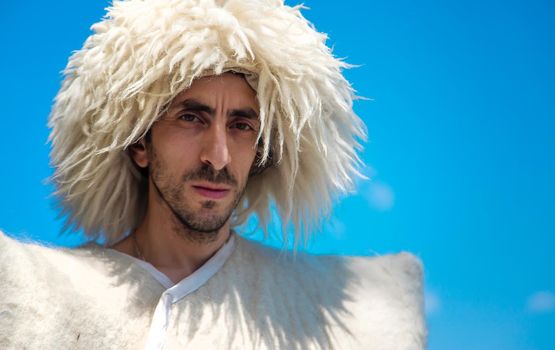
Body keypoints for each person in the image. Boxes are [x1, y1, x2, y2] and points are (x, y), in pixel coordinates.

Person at [0, 0, 426, 349]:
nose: (219, 158)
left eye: (241, 126)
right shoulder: (33, 293)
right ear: (139, 143)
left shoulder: (343, 318)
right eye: (191, 118)